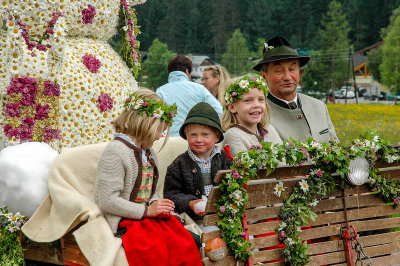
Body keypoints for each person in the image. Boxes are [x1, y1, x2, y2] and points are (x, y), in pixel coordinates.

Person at [95, 89, 202, 266]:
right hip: (126, 220)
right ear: (151, 122)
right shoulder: (116, 151)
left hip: (145, 218)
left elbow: (149, 191)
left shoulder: (149, 152)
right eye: (161, 130)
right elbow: (107, 200)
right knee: (155, 250)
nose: (161, 136)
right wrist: (147, 211)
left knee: (187, 242)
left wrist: (156, 203)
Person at [253, 35, 337, 143]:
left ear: (299, 72)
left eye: (292, 69)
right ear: (264, 75)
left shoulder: (318, 107)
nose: (287, 77)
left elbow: (336, 149)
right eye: (278, 71)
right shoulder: (258, 113)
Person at [163, 102, 232, 223]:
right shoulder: (178, 165)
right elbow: (171, 195)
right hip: (195, 220)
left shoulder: (225, 159)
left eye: (205, 135)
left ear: (216, 136)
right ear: (186, 135)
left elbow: (236, 183)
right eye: (193, 135)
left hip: (225, 216)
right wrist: (190, 203)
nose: (199, 140)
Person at [156, 55, 223, 137]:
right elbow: (219, 111)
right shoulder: (199, 89)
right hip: (193, 139)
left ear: (169, 72)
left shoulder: (160, 91)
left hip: (168, 140)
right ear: (187, 72)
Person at [221, 74, 283, 158]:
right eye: (248, 100)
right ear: (232, 107)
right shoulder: (233, 136)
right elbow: (248, 168)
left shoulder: (269, 130)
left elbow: (284, 161)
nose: (256, 105)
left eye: (260, 99)